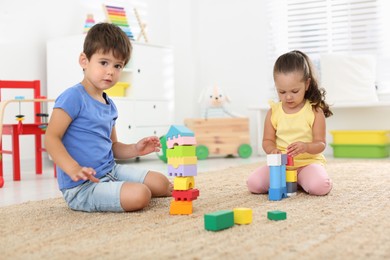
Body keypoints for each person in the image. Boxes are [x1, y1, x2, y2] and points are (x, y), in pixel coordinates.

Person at [45, 23, 172, 212]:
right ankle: (115, 192)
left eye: (118, 65)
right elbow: (51, 138)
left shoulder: (109, 105)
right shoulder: (73, 97)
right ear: (84, 60)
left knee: (162, 183)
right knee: (141, 195)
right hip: (82, 186)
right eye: (104, 62)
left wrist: (136, 149)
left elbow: (113, 147)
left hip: (111, 171)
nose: (111, 71)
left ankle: (118, 188)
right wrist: (73, 168)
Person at [247, 50, 333, 196]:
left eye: (294, 91)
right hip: (280, 166)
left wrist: (306, 146)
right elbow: (267, 141)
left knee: (320, 186)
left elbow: (320, 144)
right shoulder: (273, 111)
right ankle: (295, 181)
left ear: (307, 84)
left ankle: (303, 180)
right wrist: (272, 150)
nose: (288, 97)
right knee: (253, 184)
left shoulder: (314, 111)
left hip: (307, 164)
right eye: (281, 92)